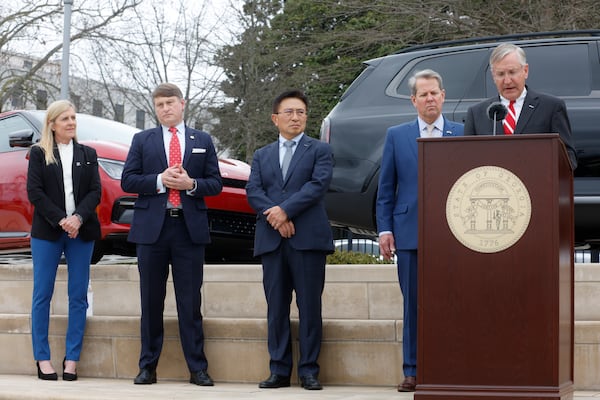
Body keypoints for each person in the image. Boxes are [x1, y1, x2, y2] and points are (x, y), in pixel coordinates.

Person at [121, 83, 222, 386]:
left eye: (170, 103)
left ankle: (198, 368)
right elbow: (128, 180)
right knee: (150, 302)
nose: (165, 108)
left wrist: (191, 184)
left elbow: (215, 183)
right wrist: (159, 180)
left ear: (183, 104)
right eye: (160, 104)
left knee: (189, 304)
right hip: (152, 230)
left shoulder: (202, 140)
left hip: (188, 230)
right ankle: (147, 367)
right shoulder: (142, 139)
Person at [376, 69, 464, 392]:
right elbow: (386, 189)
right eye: (423, 94)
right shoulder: (397, 136)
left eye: (434, 93)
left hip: (452, 236)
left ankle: (450, 365)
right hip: (409, 233)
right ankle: (412, 369)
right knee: (413, 305)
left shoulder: (462, 133)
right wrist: (385, 229)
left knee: (452, 301)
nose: (430, 98)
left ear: (443, 96)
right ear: (413, 100)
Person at [246, 90, 334, 391]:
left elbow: (317, 185)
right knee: (276, 308)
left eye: (300, 112)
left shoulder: (319, 150)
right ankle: (279, 370)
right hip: (272, 241)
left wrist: (285, 210)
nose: (295, 117)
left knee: (309, 307)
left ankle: (309, 370)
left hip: (307, 240)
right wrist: (275, 217)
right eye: (289, 112)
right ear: (275, 118)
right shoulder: (261, 155)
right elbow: (254, 191)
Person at [27, 99, 101, 381]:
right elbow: (35, 192)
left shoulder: (88, 153)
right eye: (65, 119)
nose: (71, 122)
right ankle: (42, 358)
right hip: (48, 232)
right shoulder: (38, 153)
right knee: (42, 294)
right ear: (52, 124)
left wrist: (78, 219)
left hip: (81, 232)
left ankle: (72, 359)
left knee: (78, 296)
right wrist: (62, 220)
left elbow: (95, 191)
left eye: (73, 117)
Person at [464, 42, 577, 170]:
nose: (507, 81)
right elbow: (468, 161)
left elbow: (568, 159)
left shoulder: (551, 107)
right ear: (493, 76)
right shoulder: (476, 113)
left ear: (525, 71)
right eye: (500, 74)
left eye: (512, 72)